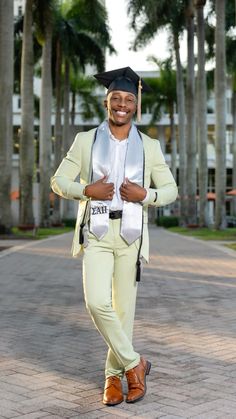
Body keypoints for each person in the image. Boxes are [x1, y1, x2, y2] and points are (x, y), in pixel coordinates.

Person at [51, 67, 178, 406]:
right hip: (97, 229)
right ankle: (136, 364)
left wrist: (145, 195)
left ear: (135, 106)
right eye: (116, 99)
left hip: (131, 235)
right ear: (106, 102)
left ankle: (113, 378)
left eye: (129, 100)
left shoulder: (149, 146)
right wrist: (85, 189)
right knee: (96, 302)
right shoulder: (85, 141)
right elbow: (58, 181)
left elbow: (170, 190)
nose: (122, 105)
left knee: (123, 311)